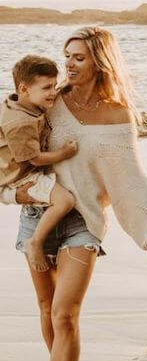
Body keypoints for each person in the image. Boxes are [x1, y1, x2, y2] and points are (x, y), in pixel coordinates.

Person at [14, 27, 147, 361]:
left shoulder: (117, 116)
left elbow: (130, 184)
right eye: (67, 55)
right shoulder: (50, 101)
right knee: (48, 309)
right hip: (39, 215)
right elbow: (13, 145)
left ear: (100, 62)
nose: (68, 64)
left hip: (84, 223)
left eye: (79, 58)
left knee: (65, 314)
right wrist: (11, 192)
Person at [0, 56, 78, 270]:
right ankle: (35, 241)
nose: (53, 92)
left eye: (54, 85)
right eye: (47, 88)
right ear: (24, 89)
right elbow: (33, 158)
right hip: (21, 177)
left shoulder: (21, 103)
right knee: (65, 201)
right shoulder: (20, 122)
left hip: (17, 170)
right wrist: (64, 153)